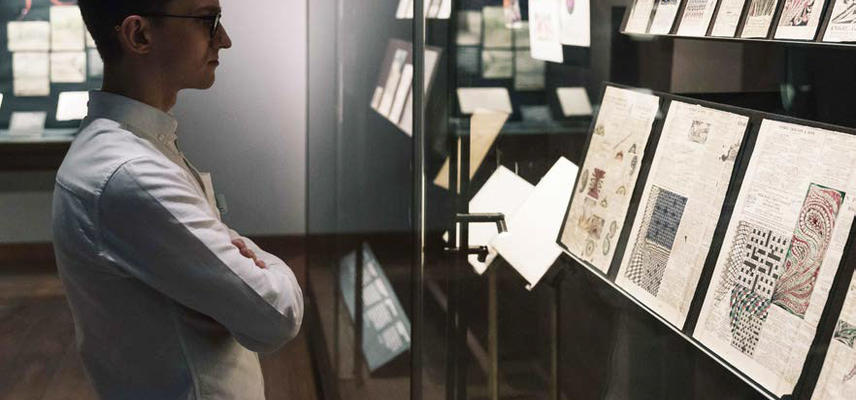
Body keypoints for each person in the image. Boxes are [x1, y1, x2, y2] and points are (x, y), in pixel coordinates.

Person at [52, 1, 304, 399]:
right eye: (208, 20)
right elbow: (275, 314)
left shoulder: (132, 151)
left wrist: (233, 248)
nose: (224, 39)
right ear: (139, 35)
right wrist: (267, 263)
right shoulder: (130, 172)